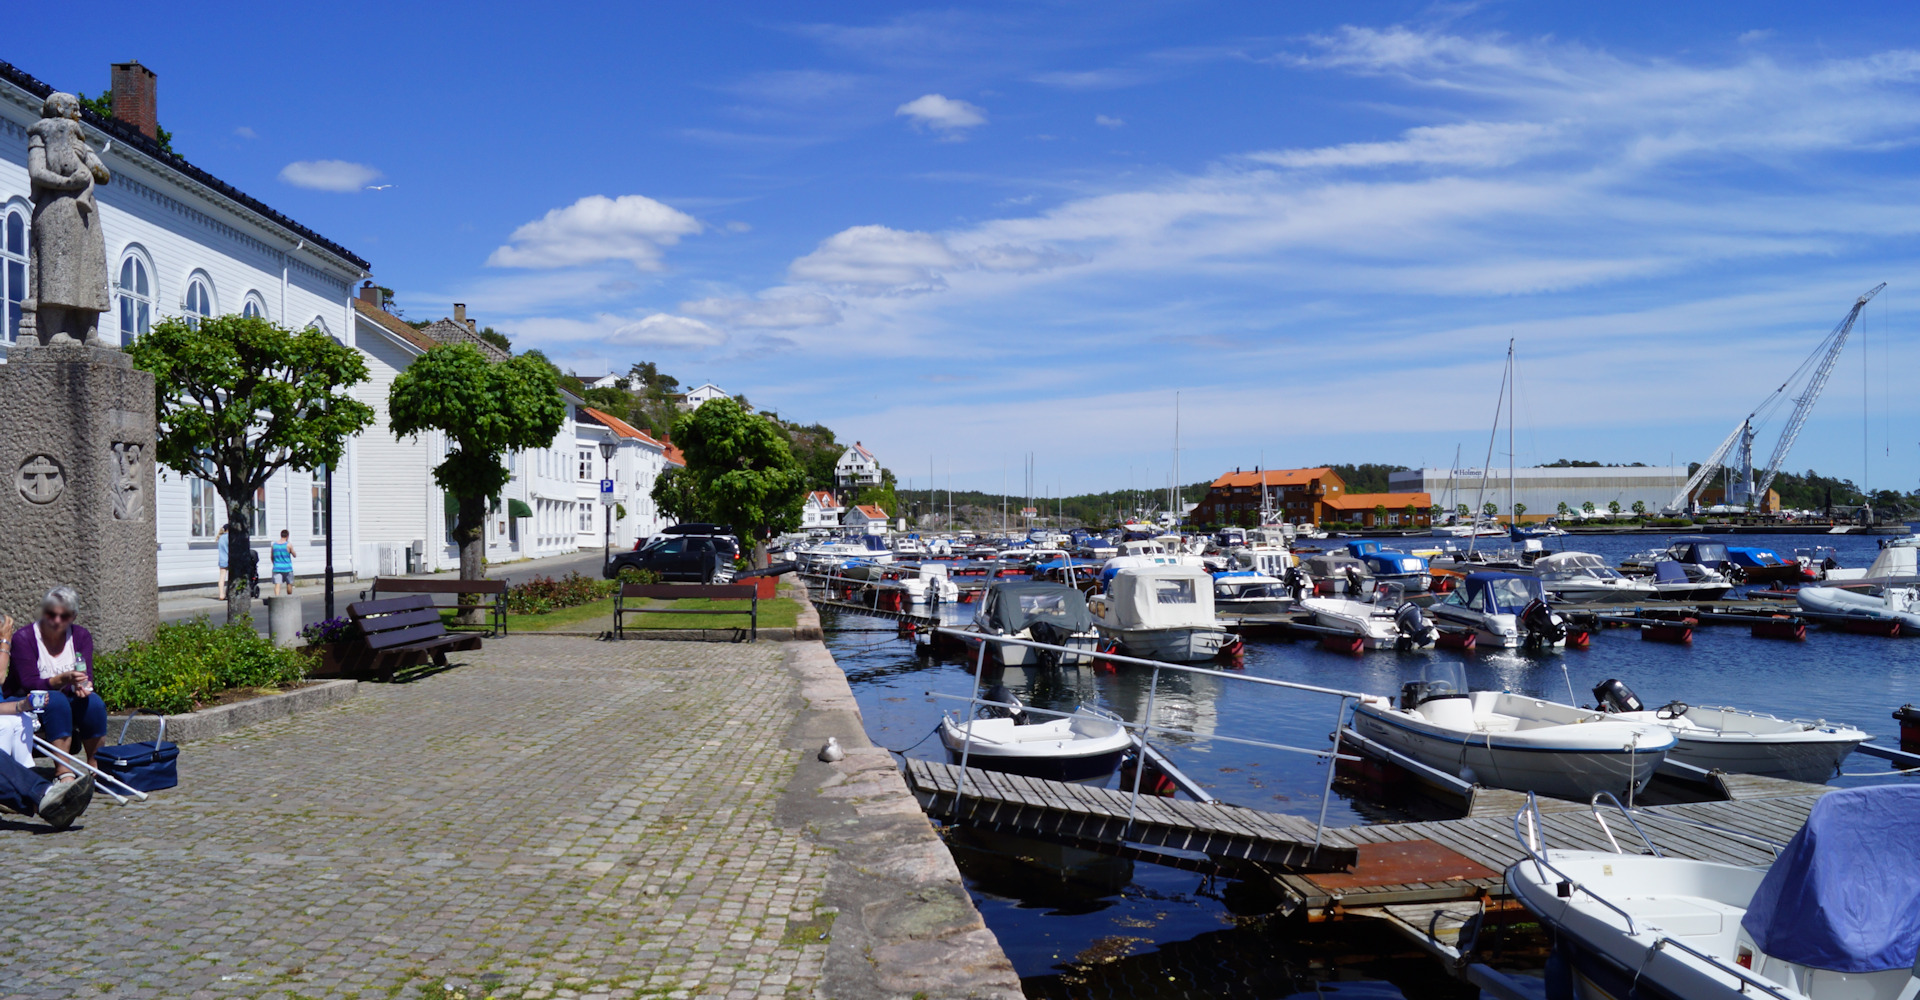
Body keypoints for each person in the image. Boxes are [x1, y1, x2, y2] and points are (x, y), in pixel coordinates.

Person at [4, 586, 105, 782]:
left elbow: (85, 673)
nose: (57, 621)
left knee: (94, 703)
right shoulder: (24, 638)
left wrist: (82, 687)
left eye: (64, 616)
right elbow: (28, 682)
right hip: (25, 698)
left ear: (73, 616)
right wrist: (63, 679)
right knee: (56, 700)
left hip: (65, 696)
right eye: (51, 614)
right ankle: (63, 770)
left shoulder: (81, 636)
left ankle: (96, 765)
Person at [272, 530, 297, 596]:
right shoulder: (288, 545)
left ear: (281, 535)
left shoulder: (274, 545)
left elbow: (272, 557)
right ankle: (289, 597)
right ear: (287, 536)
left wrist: (274, 564)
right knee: (289, 583)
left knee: (277, 584)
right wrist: (292, 551)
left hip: (277, 567)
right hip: (287, 567)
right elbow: (294, 555)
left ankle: (277, 598)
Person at [216, 524, 230, 596]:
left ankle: (221, 594)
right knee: (231, 577)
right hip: (230, 560)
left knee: (222, 577)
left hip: (222, 559)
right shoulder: (230, 537)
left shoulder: (220, 538)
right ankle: (230, 592)